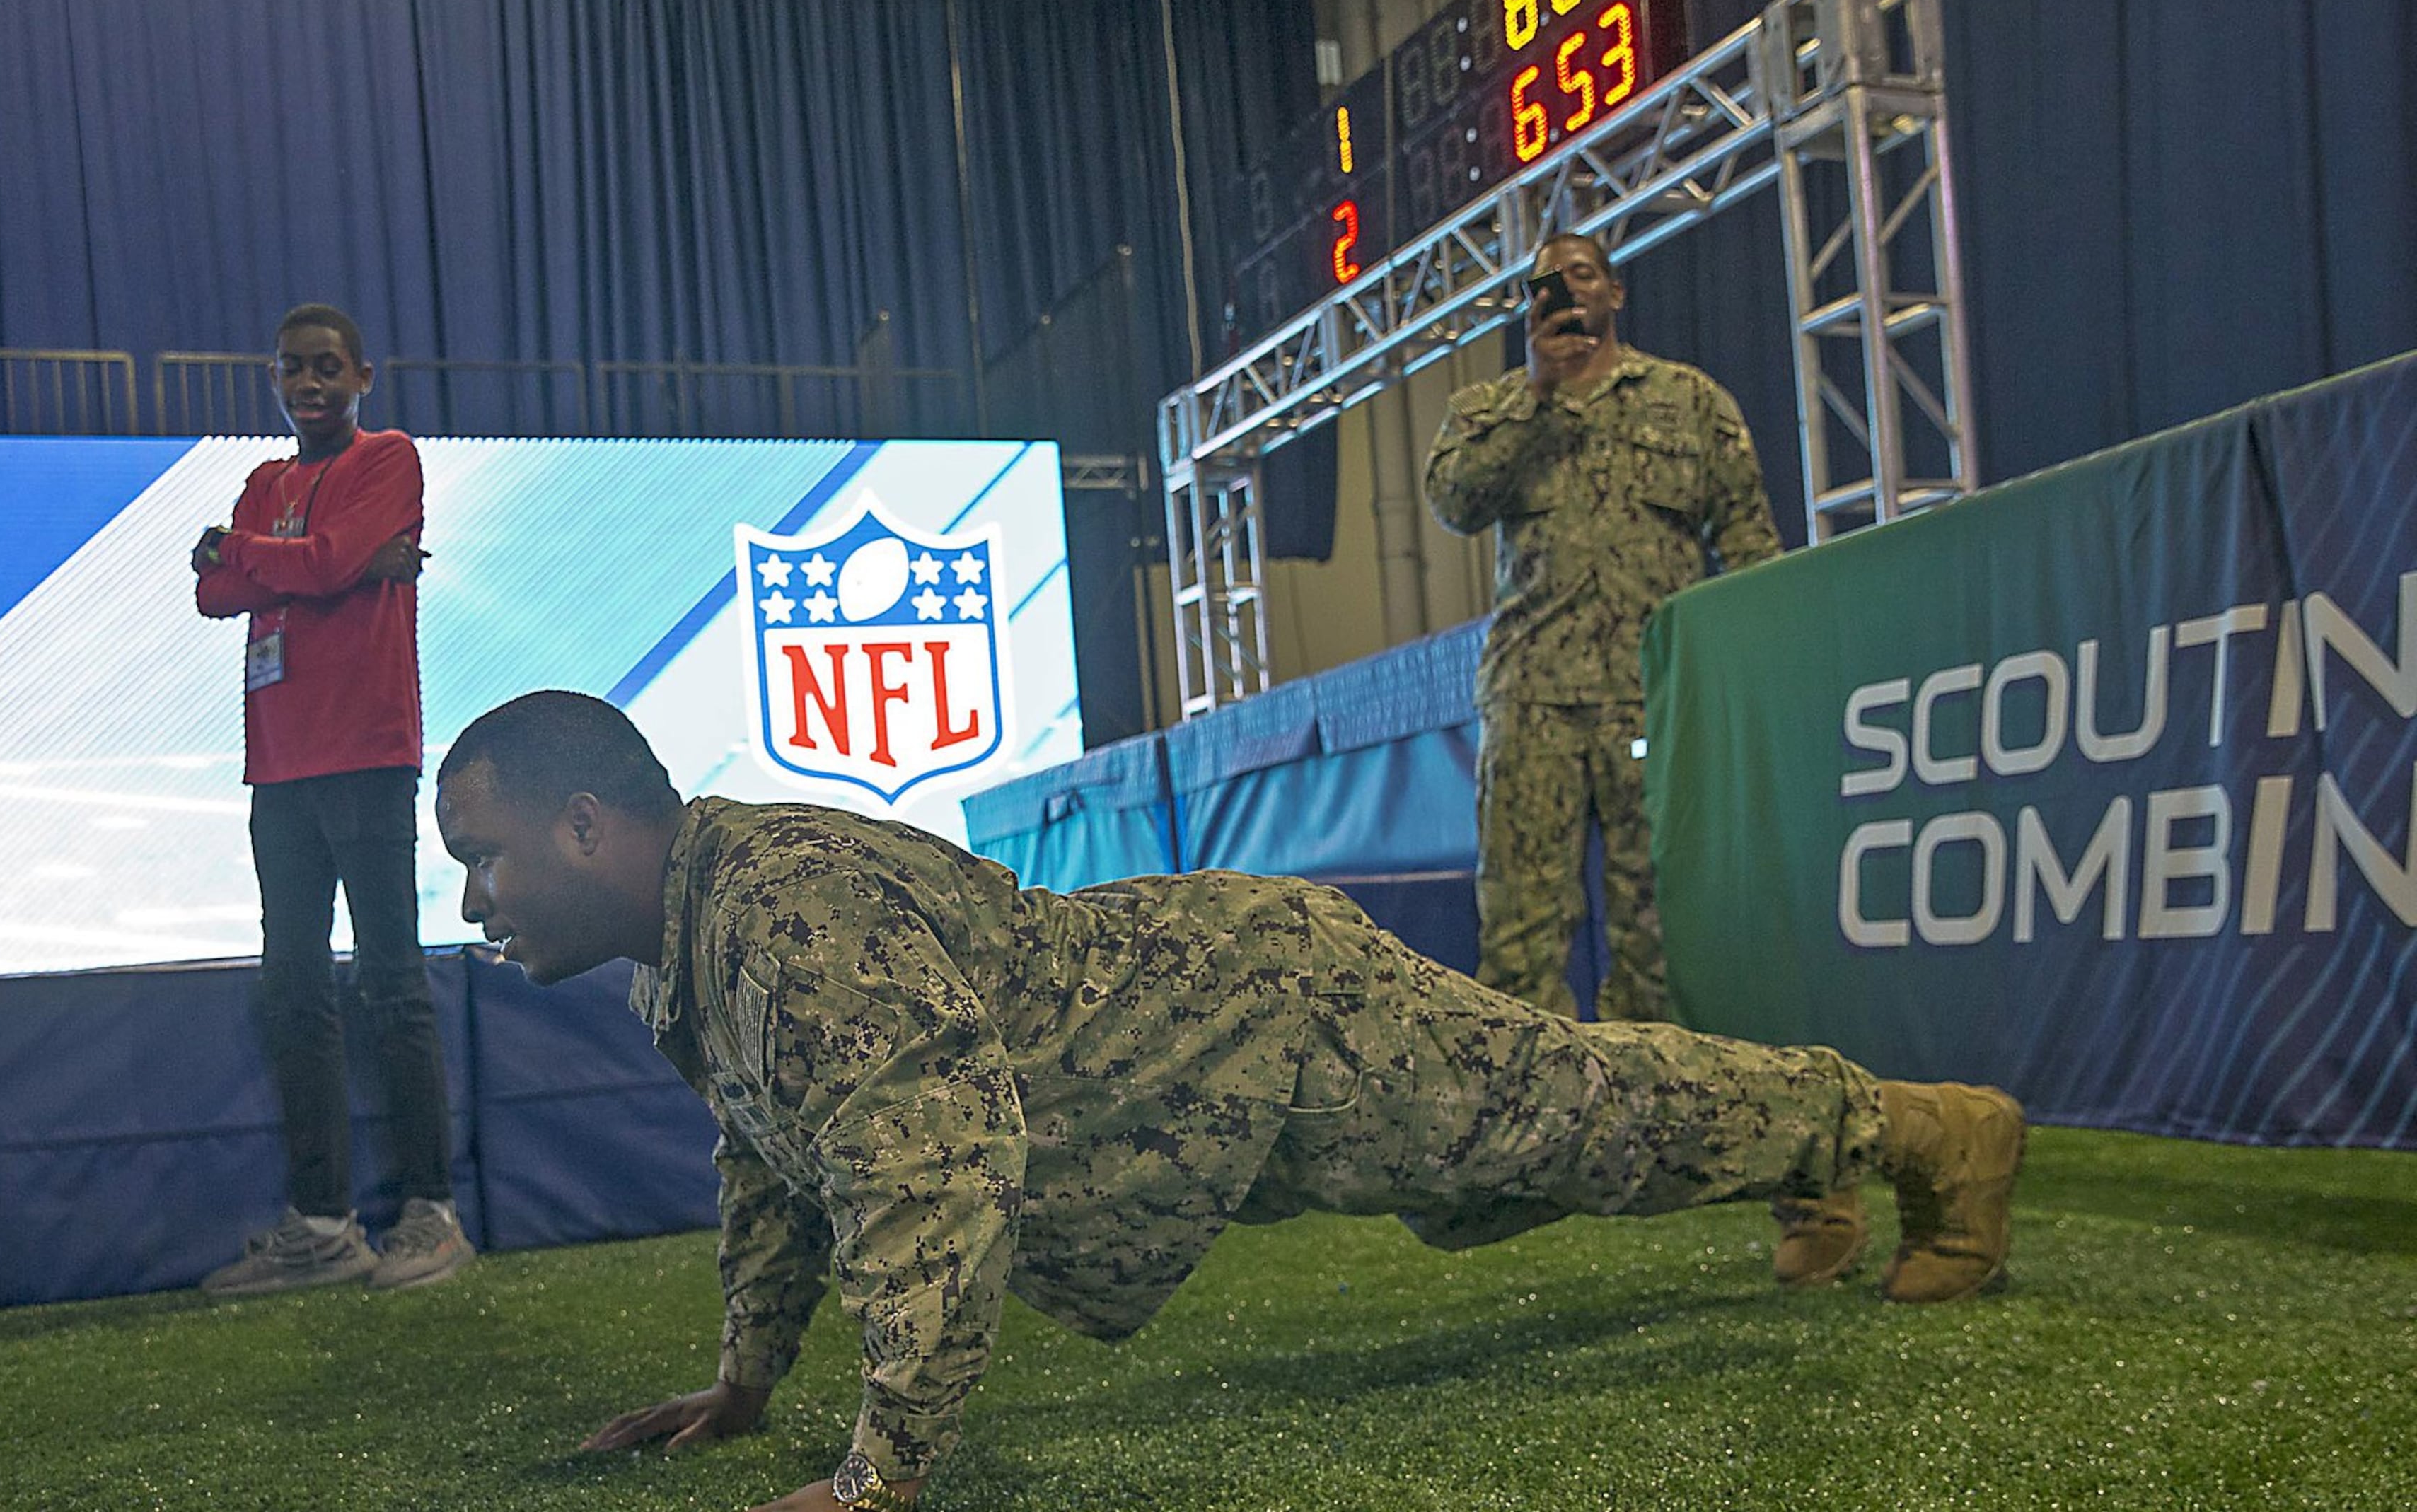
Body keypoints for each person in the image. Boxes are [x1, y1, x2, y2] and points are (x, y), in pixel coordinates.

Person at [432, 690, 2024, 1511]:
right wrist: (748, 1380)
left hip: (1270, 1025)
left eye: (483, 863)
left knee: (1577, 1119)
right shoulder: (697, 935)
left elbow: (936, 1169)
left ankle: (1924, 1135)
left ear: (584, 827)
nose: (479, 905)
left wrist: (881, 1472)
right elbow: (778, 1161)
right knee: (1570, 1135)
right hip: (1196, 1077)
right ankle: (1816, 1157)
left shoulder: (779, 905)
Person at [1424, 231, 1784, 1026]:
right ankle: (1533, 1118)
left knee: (1659, 919)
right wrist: (1540, 399)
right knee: (1520, 931)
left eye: (1581, 275)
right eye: (1545, 285)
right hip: (1533, 704)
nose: (1566, 292)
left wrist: (1743, 680)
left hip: (1652, 702)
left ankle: (1654, 1103)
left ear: (1615, 293)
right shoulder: (1490, 411)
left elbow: (1751, 544)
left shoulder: (1689, 401)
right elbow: (1454, 501)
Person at [190, 303, 470, 1296]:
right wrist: (319, 564)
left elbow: (272, 569)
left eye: (325, 368)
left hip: (367, 753)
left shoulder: (389, 456)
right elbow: (212, 597)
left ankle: (431, 1214)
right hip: (279, 765)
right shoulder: (269, 480)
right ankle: (323, 1226)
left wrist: (254, 555)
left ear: (360, 376)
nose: (307, 384)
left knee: (391, 981)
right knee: (296, 989)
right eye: (291, 370)